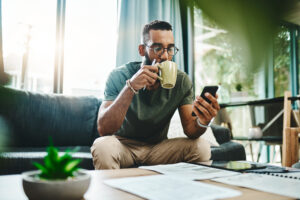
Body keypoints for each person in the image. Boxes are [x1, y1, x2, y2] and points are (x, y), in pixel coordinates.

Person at [91, 20, 220, 169]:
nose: (165, 56)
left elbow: (191, 131)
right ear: (141, 50)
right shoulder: (118, 76)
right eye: (157, 48)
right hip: (123, 146)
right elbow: (104, 129)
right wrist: (131, 87)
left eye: (170, 49)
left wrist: (203, 121)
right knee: (102, 147)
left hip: (158, 149)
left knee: (201, 147)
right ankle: (113, 192)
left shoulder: (181, 81)